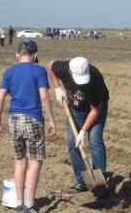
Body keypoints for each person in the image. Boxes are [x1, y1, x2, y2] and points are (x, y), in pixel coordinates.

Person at [0, 40, 56, 213]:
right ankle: (29, 204)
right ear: (35, 55)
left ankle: (19, 202)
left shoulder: (9, 72)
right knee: (34, 162)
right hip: (33, 119)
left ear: (17, 55)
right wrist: (52, 121)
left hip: (13, 119)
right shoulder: (39, 70)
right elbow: (44, 97)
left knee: (20, 161)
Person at [46, 57, 109, 194]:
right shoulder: (62, 68)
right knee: (71, 142)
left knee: (95, 140)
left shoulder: (95, 78)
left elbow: (95, 110)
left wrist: (83, 132)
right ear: (70, 71)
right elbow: (50, 66)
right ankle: (82, 182)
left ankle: (100, 182)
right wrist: (57, 88)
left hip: (96, 108)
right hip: (75, 108)